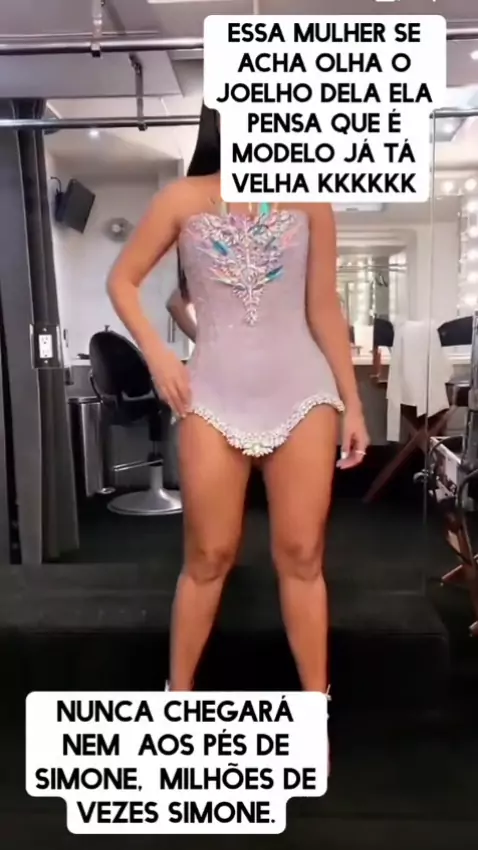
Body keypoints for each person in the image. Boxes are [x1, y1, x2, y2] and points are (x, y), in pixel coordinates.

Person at [107, 104, 369, 706]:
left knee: (302, 555)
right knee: (208, 554)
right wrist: (159, 354)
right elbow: (122, 280)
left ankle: (313, 711)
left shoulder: (312, 200)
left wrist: (352, 401)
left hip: (303, 391)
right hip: (212, 395)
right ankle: (177, 701)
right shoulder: (182, 197)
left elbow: (323, 307)